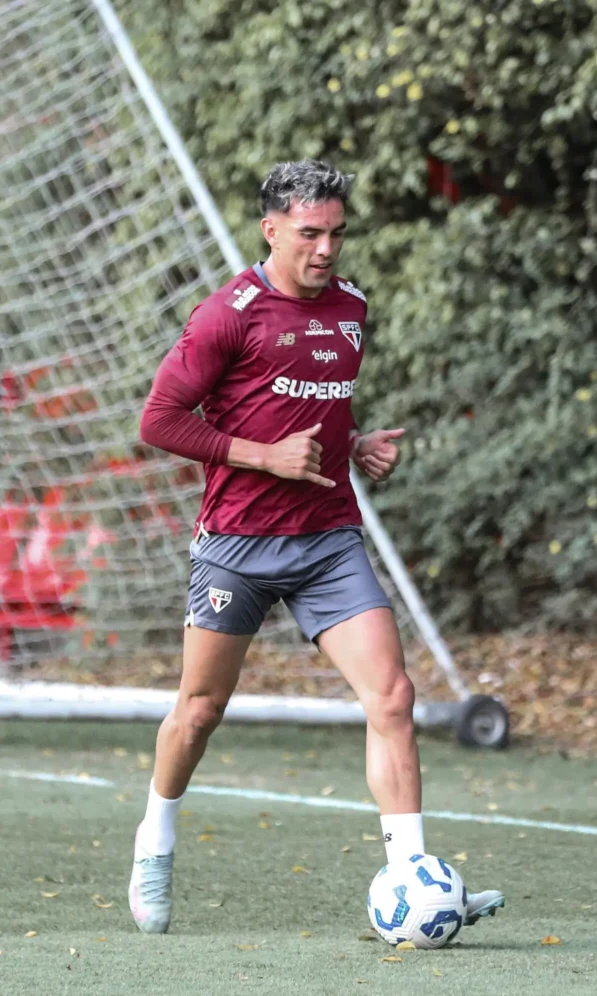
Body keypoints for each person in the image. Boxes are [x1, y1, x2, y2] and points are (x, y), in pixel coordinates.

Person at [131, 158, 504, 935]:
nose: (326, 248)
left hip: (328, 540)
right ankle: (154, 840)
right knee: (200, 711)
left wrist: (355, 444)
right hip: (237, 544)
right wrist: (264, 457)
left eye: (336, 233)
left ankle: (414, 878)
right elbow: (159, 421)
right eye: (310, 233)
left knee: (392, 696)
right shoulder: (226, 316)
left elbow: (315, 403)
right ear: (271, 230)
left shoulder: (352, 308)